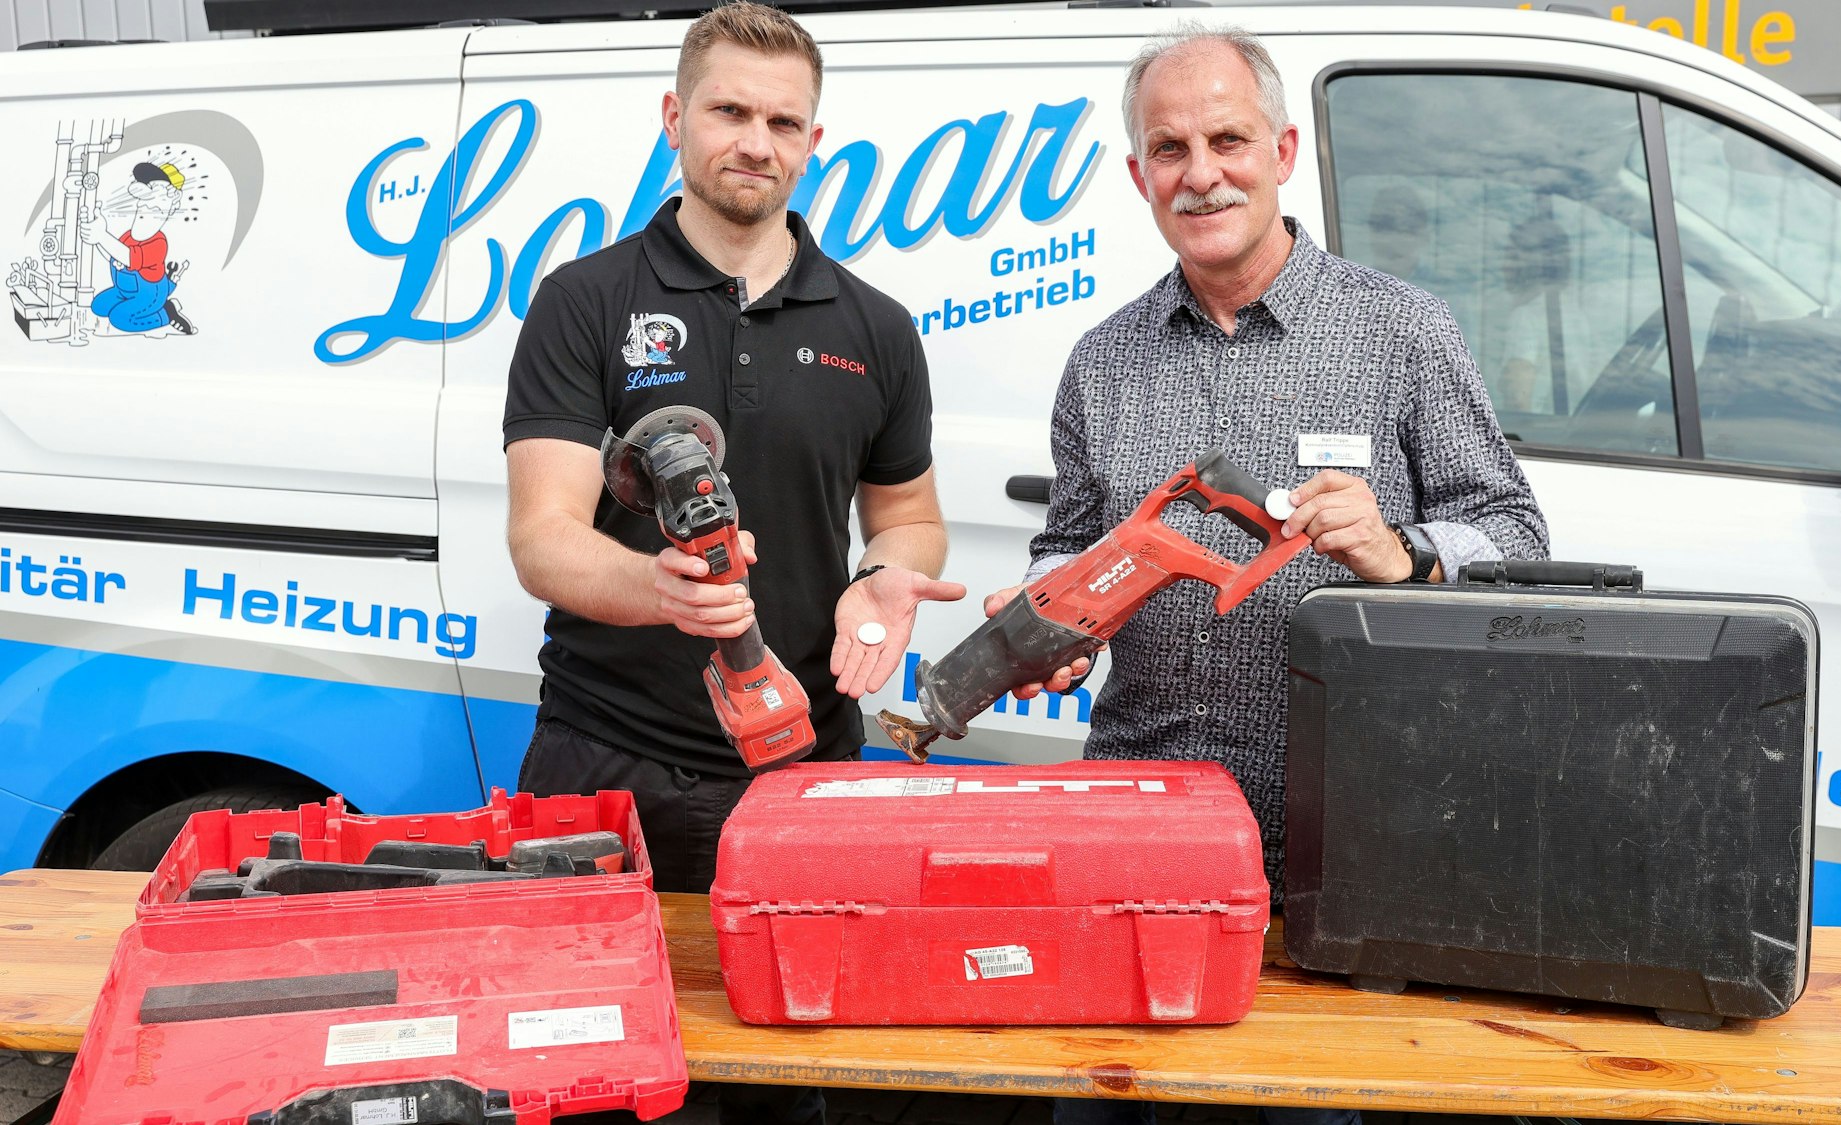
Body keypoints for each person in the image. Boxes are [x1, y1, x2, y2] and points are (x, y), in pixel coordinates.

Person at [993, 24, 1550, 1125]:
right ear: (1138, 175)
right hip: (1135, 848)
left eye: (1228, 140)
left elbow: (1517, 536)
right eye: (1169, 149)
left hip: (1331, 857)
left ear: (1283, 151)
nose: (1200, 174)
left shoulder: (1400, 330)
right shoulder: (1101, 360)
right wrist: (1049, 610)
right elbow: (1067, 540)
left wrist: (1405, 551)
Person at [501, 4, 961, 1121]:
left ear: (813, 141)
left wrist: (886, 573)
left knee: (787, 1088)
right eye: (729, 112)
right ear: (675, 118)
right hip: (604, 766)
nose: (755, 142)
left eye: (782, 122)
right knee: (587, 1076)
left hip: (800, 776)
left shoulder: (876, 326)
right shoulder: (586, 301)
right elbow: (542, 536)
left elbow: (908, 515)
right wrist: (656, 588)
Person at [82, 161, 195, 336]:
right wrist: (95, 236)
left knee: (120, 318)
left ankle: (166, 313)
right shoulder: (129, 236)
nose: (144, 207)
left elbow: (128, 257)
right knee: (98, 306)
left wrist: (102, 236)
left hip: (150, 295)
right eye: (142, 206)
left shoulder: (158, 243)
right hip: (123, 291)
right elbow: (113, 254)